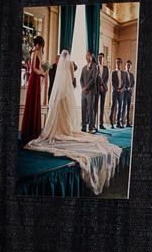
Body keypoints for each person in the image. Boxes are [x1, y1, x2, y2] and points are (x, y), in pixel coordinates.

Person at [27, 48, 123, 194]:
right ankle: (69, 129)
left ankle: (65, 128)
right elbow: (73, 79)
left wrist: (81, 86)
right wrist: (77, 86)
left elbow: (75, 79)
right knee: (70, 116)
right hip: (68, 94)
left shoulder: (61, 66)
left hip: (62, 94)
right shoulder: (72, 64)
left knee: (65, 114)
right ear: (69, 56)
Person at [19, 36, 47, 145]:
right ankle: (30, 132)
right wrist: (43, 73)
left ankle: (34, 131)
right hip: (34, 79)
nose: (42, 48)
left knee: (35, 103)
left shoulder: (38, 53)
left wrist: (43, 71)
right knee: (32, 103)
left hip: (36, 80)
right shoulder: (35, 53)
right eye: (42, 45)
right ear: (39, 44)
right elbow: (34, 70)